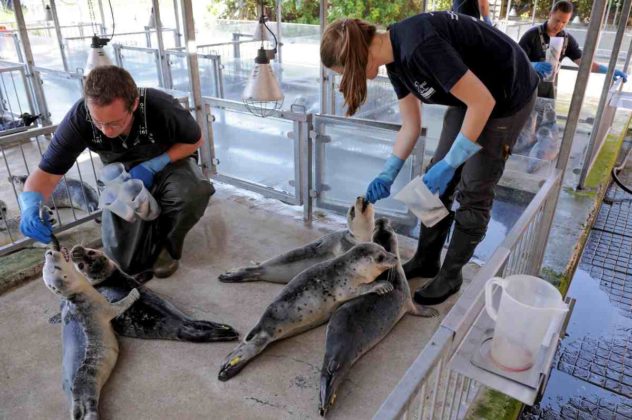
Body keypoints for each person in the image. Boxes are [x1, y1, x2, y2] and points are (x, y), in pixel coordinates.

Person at [321, 12, 538, 305]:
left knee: (474, 188)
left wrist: (453, 163)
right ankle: (426, 259)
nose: (348, 80)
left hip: (506, 97)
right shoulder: (394, 60)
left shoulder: (420, 46)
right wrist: (389, 171)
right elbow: (411, 125)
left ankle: (451, 275)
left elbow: (483, 102)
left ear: (357, 61)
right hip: (473, 95)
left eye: (343, 73)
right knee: (434, 180)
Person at [18, 66, 214, 279]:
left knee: (190, 192)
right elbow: (46, 174)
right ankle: (148, 231)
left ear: (135, 104)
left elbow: (195, 140)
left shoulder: (160, 106)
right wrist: (29, 205)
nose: (106, 131)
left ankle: (168, 247)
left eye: (115, 122)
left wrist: (153, 165)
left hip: (171, 162)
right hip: (123, 174)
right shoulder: (79, 118)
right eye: (98, 122)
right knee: (125, 263)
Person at [519, 0, 627, 98]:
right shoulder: (531, 35)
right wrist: (533, 65)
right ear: (550, 15)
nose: (559, 25)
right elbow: (516, 61)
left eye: (564, 22)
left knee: (546, 117)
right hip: (526, 86)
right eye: (557, 20)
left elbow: (584, 63)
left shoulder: (567, 40)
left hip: (548, 88)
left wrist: (609, 71)